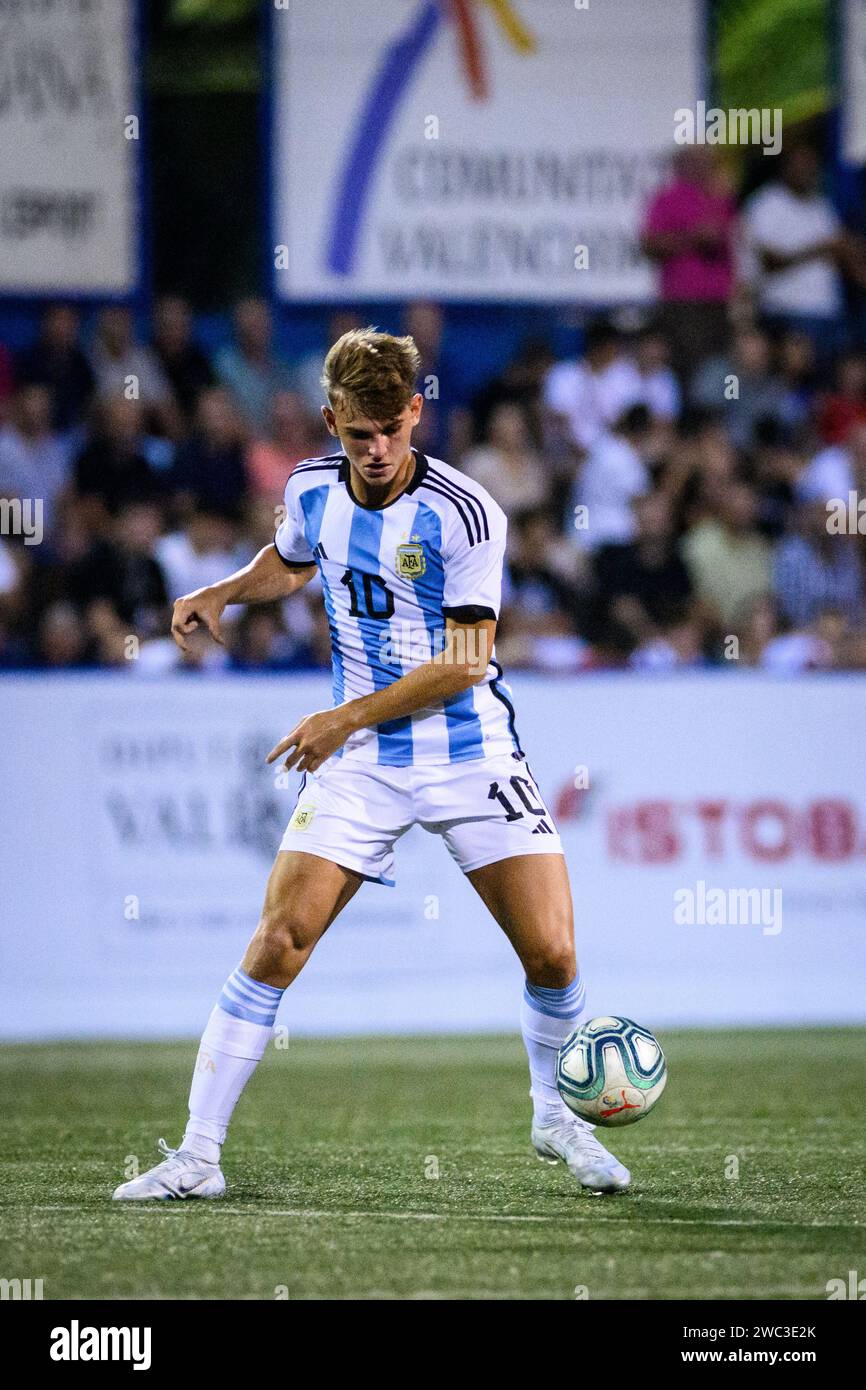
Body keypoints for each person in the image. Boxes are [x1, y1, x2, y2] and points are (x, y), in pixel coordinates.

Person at [112, 327, 631, 1202]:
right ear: (331, 421)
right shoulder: (311, 489)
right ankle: (198, 1156)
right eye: (360, 433)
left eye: (393, 427)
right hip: (364, 763)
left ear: (417, 412)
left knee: (551, 951)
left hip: (468, 751)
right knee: (280, 940)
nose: (379, 448)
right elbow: (289, 561)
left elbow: (466, 663)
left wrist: (340, 715)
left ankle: (555, 1115)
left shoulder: (468, 514)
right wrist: (223, 591)